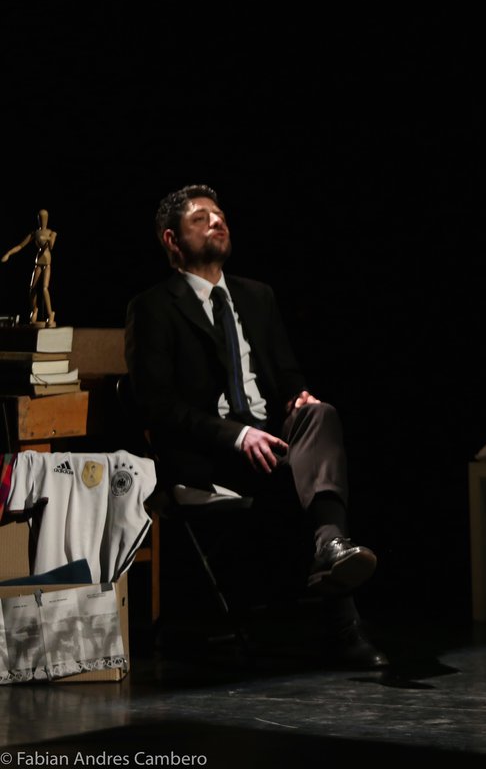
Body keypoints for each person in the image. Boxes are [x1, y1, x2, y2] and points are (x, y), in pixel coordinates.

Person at [124, 184, 388, 670]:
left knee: (321, 414)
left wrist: (298, 397)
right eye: (200, 218)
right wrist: (238, 435)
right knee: (317, 480)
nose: (216, 221)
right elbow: (157, 406)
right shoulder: (153, 307)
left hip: (275, 440)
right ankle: (344, 627)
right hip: (212, 453)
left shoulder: (258, 297)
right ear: (172, 240)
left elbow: (287, 375)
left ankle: (331, 547)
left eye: (220, 214)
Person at [2, 208, 57, 327]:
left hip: (47, 263)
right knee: (32, 288)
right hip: (38, 262)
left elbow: (51, 246)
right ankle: (34, 310)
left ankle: (50, 313)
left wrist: (47, 238)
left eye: (44, 217)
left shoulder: (52, 233)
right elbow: (21, 246)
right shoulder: (35, 233)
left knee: (44, 288)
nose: (42, 220)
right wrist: (8, 254)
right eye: (40, 218)